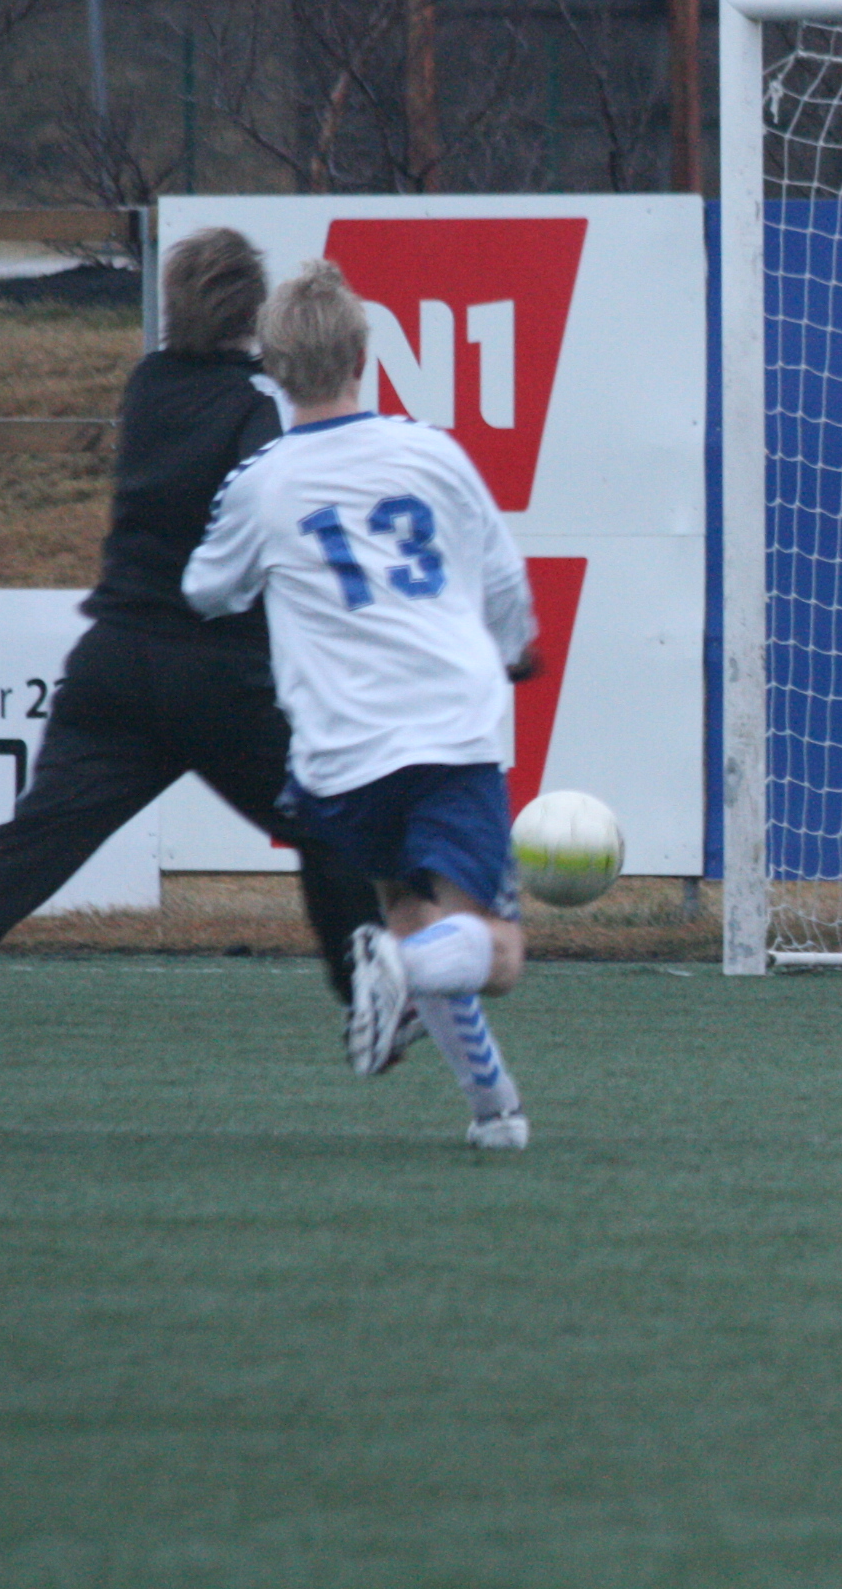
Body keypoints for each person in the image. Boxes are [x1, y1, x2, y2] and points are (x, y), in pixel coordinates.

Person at [0, 229, 373, 1108]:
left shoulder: (148, 385)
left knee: (37, 840)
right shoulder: (256, 405)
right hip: (217, 676)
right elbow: (270, 530)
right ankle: (371, 995)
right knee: (331, 818)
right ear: (253, 315)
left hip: (113, 664)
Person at [183, 258, 543, 1147]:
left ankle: (495, 1111)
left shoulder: (261, 482)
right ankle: (402, 971)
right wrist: (515, 649)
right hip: (448, 731)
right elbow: (502, 579)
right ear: (362, 357)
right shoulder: (431, 451)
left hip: (341, 755)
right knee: (495, 954)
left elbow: (205, 590)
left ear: (272, 371)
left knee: (409, 910)